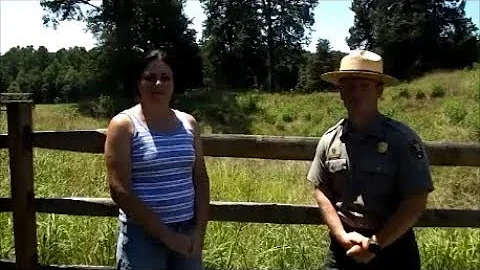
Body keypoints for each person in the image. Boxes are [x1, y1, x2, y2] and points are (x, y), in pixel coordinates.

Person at [307, 50, 434, 270]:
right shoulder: (330, 140)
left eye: (364, 86)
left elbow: (416, 199)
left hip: (393, 250)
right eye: (348, 86)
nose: (355, 93)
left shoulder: (402, 140)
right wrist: (341, 236)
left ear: (379, 90)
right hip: (343, 249)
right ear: (340, 92)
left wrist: (375, 244)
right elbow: (321, 190)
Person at [104, 49, 210, 270]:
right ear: (138, 83)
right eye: (150, 78)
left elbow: (200, 178)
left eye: (165, 77)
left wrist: (199, 231)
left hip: (187, 232)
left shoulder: (189, 123)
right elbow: (119, 190)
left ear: (173, 83)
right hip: (142, 236)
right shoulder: (124, 125)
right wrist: (167, 236)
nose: (158, 84)